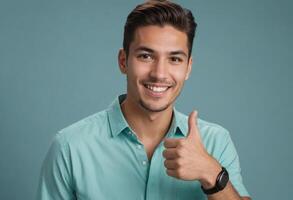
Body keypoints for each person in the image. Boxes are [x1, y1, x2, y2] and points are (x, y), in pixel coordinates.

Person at [36, 1, 251, 199]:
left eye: (174, 59)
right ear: (123, 61)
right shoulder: (70, 147)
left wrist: (211, 174)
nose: (159, 73)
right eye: (146, 56)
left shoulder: (216, 142)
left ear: (188, 68)